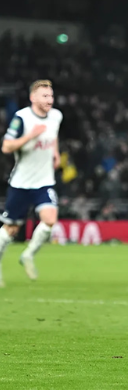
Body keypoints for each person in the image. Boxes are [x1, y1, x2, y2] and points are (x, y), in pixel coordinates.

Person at [0, 80, 63, 286]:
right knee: (10, 230)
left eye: (51, 96)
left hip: (44, 182)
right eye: (45, 96)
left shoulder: (56, 116)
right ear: (32, 98)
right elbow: (7, 147)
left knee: (50, 218)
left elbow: (53, 135)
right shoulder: (22, 118)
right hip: (21, 183)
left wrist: (55, 152)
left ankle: (28, 255)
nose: (49, 100)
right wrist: (30, 136)